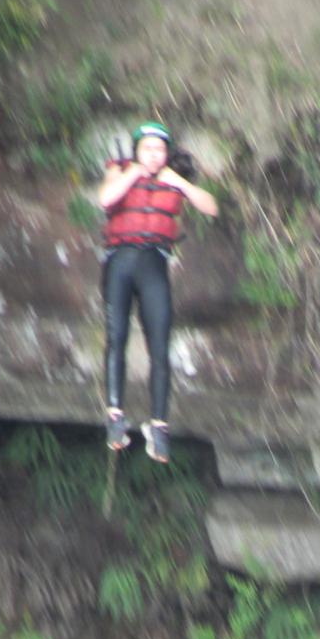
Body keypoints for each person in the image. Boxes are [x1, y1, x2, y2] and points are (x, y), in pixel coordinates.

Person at [97, 121, 218, 463]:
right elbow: (105, 199)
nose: (153, 155)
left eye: (159, 150)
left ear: (166, 154)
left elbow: (210, 206)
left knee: (160, 347)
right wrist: (133, 173)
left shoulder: (174, 180)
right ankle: (116, 417)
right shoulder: (120, 171)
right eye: (147, 149)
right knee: (116, 336)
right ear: (137, 151)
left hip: (153, 265)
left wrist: (177, 181)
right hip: (119, 263)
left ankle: (159, 427)